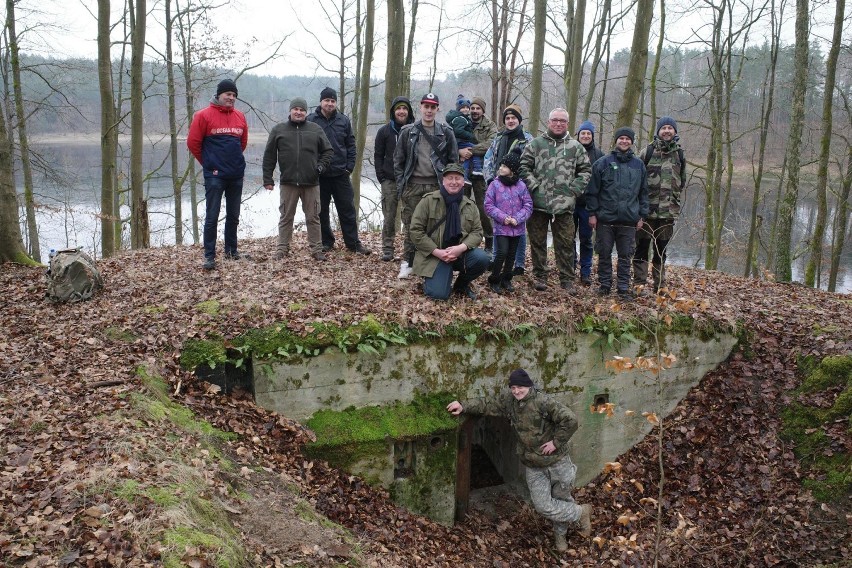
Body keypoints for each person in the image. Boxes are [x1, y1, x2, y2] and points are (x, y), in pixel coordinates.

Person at [446, 369, 592, 551]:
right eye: (513, 388)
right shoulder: (510, 402)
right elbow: (488, 404)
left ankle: (560, 537)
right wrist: (463, 406)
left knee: (562, 498)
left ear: (529, 386)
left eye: (520, 387)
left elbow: (570, 420)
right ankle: (581, 513)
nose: (516, 391)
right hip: (533, 465)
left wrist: (556, 442)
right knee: (543, 506)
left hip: (557, 462)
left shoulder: (544, 402)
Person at [519, 108, 592, 292]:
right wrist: (534, 187)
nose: (558, 123)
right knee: (537, 242)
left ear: (567, 124)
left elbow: (585, 171)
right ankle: (540, 277)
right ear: (549, 122)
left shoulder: (575, 147)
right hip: (538, 204)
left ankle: (567, 279)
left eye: (562, 121)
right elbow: (523, 166)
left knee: (566, 243)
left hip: (565, 205)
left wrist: (573, 191)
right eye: (555, 120)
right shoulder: (536, 144)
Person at [393, 93, 459, 279]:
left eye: (433, 107)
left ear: (437, 109)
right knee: (411, 226)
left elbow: (453, 162)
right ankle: (408, 262)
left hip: (436, 186)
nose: (429, 110)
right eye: (426, 106)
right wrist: (402, 186)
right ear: (420, 108)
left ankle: (433, 262)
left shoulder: (446, 132)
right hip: (412, 186)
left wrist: (450, 186)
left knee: (437, 225)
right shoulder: (408, 131)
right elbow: (398, 161)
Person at [187, 78, 249, 271]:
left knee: (234, 215)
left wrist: (234, 161)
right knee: (212, 216)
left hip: (235, 174)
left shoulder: (240, 116)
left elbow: (242, 143)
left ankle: (231, 251)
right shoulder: (203, 115)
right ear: (219, 95)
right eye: (227, 94)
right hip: (214, 175)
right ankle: (209, 256)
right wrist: (209, 163)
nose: (231, 98)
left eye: (233, 95)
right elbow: (193, 143)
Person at [262, 97, 334, 261]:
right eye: (296, 109)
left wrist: (321, 167)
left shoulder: (315, 129)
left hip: (311, 182)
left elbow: (328, 151)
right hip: (288, 182)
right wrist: (268, 179)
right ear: (290, 111)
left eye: (302, 110)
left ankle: (316, 249)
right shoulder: (278, 130)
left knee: (314, 217)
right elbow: (269, 156)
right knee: (286, 217)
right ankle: (282, 249)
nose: (299, 112)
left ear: (306, 112)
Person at [409, 163, 490, 300]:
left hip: (459, 254)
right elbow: (416, 231)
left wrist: (460, 248)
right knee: (439, 295)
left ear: (463, 182)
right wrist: (437, 252)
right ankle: (433, 282)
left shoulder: (470, 206)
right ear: (443, 181)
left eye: (457, 178)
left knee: (482, 259)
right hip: (435, 255)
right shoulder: (428, 201)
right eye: (450, 178)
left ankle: (461, 285)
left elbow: (477, 232)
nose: (454, 182)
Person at [585, 127, 649, 298]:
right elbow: (592, 192)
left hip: (629, 220)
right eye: (621, 138)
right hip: (605, 219)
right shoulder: (603, 163)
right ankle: (604, 285)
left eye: (628, 139)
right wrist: (592, 214)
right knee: (604, 254)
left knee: (625, 257)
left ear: (632, 142)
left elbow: (644, 193)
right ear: (616, 140)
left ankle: (623, 287)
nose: (624, 141)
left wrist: (642, 215)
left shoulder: (639, 165)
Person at [308, 87, 371, 255]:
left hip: (340, 174)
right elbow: (306, 147)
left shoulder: (343, 120)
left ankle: (353, 244)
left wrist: (349, 167)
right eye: (327, 100)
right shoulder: (311, 120)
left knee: (347, 210)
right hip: (319, 176)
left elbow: (351, 145)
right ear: (321, 101)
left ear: (335, 103)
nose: (330, 103)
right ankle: (326, 242)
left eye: (332, 101)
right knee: (321, 212)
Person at [633, 116, 687, 293]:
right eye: (663, 128)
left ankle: (660, 285)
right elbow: (636, 180)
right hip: (646, 212)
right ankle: (639, 283)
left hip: (668, 213)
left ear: (675, 132)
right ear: (658, 131)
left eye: (670, 128)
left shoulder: (679, 154)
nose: (666, 131)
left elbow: (682, 181)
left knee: (661, 250)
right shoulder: (647, 152)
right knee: (641, 248)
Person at [483, 104, 534, 276]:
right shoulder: (498, 138)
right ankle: (498, 259)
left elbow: (533, 164)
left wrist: (527, 183)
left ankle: (519, 263)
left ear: (519, 120)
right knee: (499, 224)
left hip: (520, 188)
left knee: (519, 226)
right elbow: (488, 159)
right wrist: (490, 179)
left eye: (513, 118)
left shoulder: (528, 140)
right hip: (499, 186)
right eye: (507, 118)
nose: (510, 121)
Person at [484, 152, 532, 294]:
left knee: (512, 254)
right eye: (501, 165)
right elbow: (488, 205)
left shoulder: (521, 186)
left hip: (517, 228)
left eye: (504, 166)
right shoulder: (494, 185)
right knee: (502, 252)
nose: (501, 168)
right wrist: (503, 217)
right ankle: (494, 279)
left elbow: (528, 205)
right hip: (501, 227)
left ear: (512, 169)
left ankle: (506, 279)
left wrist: (517, 218)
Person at [374, 96, 415, 262]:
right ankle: (388, 248)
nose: (401, 111)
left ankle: (410, 250)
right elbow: (378, 156)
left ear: (409, 111)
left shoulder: (415, 130)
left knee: (410, 217)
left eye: (404, 108)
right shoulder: (384, 132)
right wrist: (381, 177)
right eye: (398, 108)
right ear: (393, 112)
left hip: (410, 180)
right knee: (389, 216)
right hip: (389, 180)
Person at [462, 97, 499, 253]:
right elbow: (453, 140)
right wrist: (459, 150)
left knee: (484, 208)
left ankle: (489, 242)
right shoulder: (463, 122)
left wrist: (469, 151)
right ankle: (461, 240)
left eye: (478, 108)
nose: (475, 111)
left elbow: (491, 144)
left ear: (483, 111)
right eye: (473, 108)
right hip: (462, 172)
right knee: (461, 207)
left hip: (482, 173)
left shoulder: (490, 126)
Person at [575, 120, 605, 286]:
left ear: (592, 136)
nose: (585, 136)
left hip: (589, 206)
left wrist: (597, 207)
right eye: (582, 133)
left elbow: (603, 183)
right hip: (570, 203)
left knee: (586, 239)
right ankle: (570, 265)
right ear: (578, 135)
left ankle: (585, 271)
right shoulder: (570, 150)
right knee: (567, 238)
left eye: (588, 133)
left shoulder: (600, 155)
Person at [445, 95, 481, 186]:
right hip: (460, 142)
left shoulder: (462, 118)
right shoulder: (460, 119)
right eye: (463, 108)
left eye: (467, 108)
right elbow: (458, 131)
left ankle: (464, 175)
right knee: (474, 148)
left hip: (460, 142)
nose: (465, 109)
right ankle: (478, 168)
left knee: (467, 159)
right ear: (458, 109)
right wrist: (470, 136)